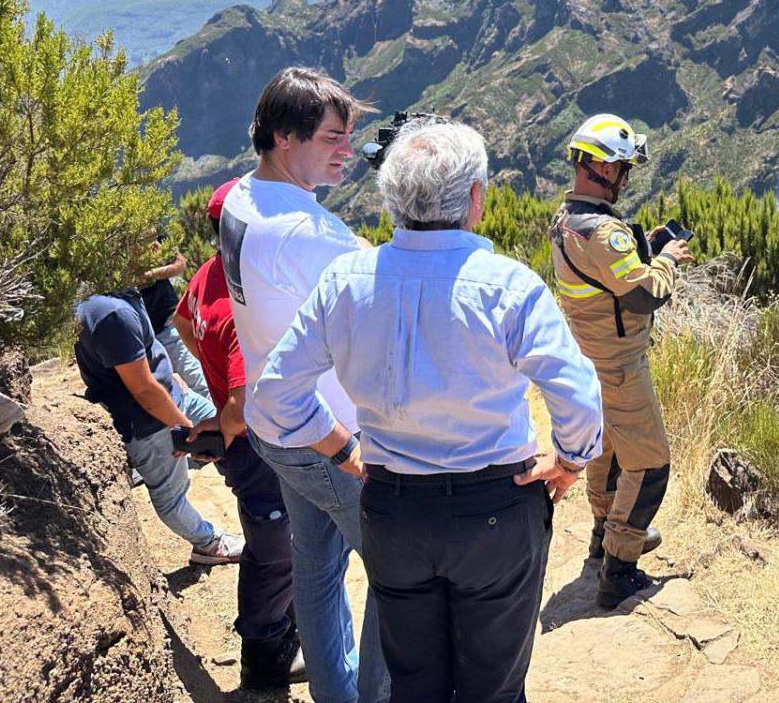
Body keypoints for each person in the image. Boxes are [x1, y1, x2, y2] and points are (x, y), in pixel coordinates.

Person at [253, 119, 604, 702]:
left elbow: (273, 398)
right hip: (497, 510)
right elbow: (578, 395)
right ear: (475, 198)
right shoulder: (509, 286)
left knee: (414, 684)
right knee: (494, 687)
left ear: (391, 197)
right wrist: (568, 462)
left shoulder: (345, 281)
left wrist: (343, 450)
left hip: (394, 509)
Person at [218, 67, 391, 703]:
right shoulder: (302, 234)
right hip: (329, 434)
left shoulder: (241, 197)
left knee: (316, 567)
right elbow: (390, 295)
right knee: (396, 575)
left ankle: (335, 691)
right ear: (284, 137)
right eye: (332, 137)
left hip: (276, 426)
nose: (348, 150)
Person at [548, 114, 692, 608]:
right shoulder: (604, 232)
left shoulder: (567, 219)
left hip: (589, 359)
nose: (626, 178)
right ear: (604, 168)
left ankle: (603, 537)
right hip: (620, 364)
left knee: (607, 454)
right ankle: (620, 568)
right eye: (624, 169)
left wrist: (642, 246)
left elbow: (605, 277)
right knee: (649, 464)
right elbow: (645, 294)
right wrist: (667, 259)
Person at [172, 177, 305, 689]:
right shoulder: (243, 304)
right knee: (274, 547)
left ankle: (283, 629)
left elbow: (184, 324)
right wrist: (226, 420)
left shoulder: (208, 275)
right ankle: (265, 658)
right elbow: (245, 406)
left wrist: (216, 387)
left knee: (276, 540)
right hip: (257, 445)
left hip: (240, 441)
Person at [73, 286, 243, 566]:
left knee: (234, 436)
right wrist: (182, 426)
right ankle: (209, 544)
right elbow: (143, 390)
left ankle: (262, 503)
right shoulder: (111, 313)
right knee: (171, 496)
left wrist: (166, 374)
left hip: (173, 398)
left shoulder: (118, 294)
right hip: (151, 422)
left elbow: (138, 357)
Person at [139, 250, 211, 399]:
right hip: (135, 336)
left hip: (165, 323)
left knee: (199, 383)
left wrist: (150, 274)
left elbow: (179, 263)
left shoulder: (149, 236)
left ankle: (221, 413)